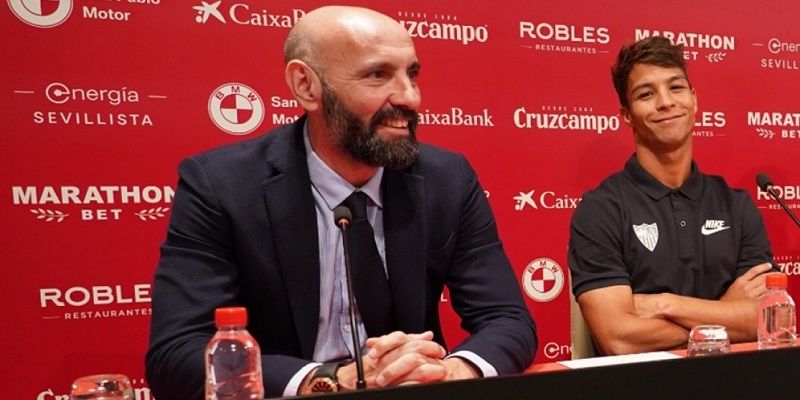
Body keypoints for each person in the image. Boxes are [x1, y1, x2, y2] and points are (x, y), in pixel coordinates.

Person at [145, 6, 536, 399]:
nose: (410, 97)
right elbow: (177, 354)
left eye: (412, 73)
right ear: (306, 86)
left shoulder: (446, 177)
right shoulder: (221, 185)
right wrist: (335, 380)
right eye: (378, 74)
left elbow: (507, 318)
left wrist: (453, 371)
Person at [568, 36, 774, 355]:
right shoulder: (601, 209)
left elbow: (762, 321)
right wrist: (725, 314)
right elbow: (619, 338)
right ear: (626, 114)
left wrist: (664, 304)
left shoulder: (738, 205)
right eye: (646, 93)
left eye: (676, 87)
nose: (666, 102)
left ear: (694, 99)